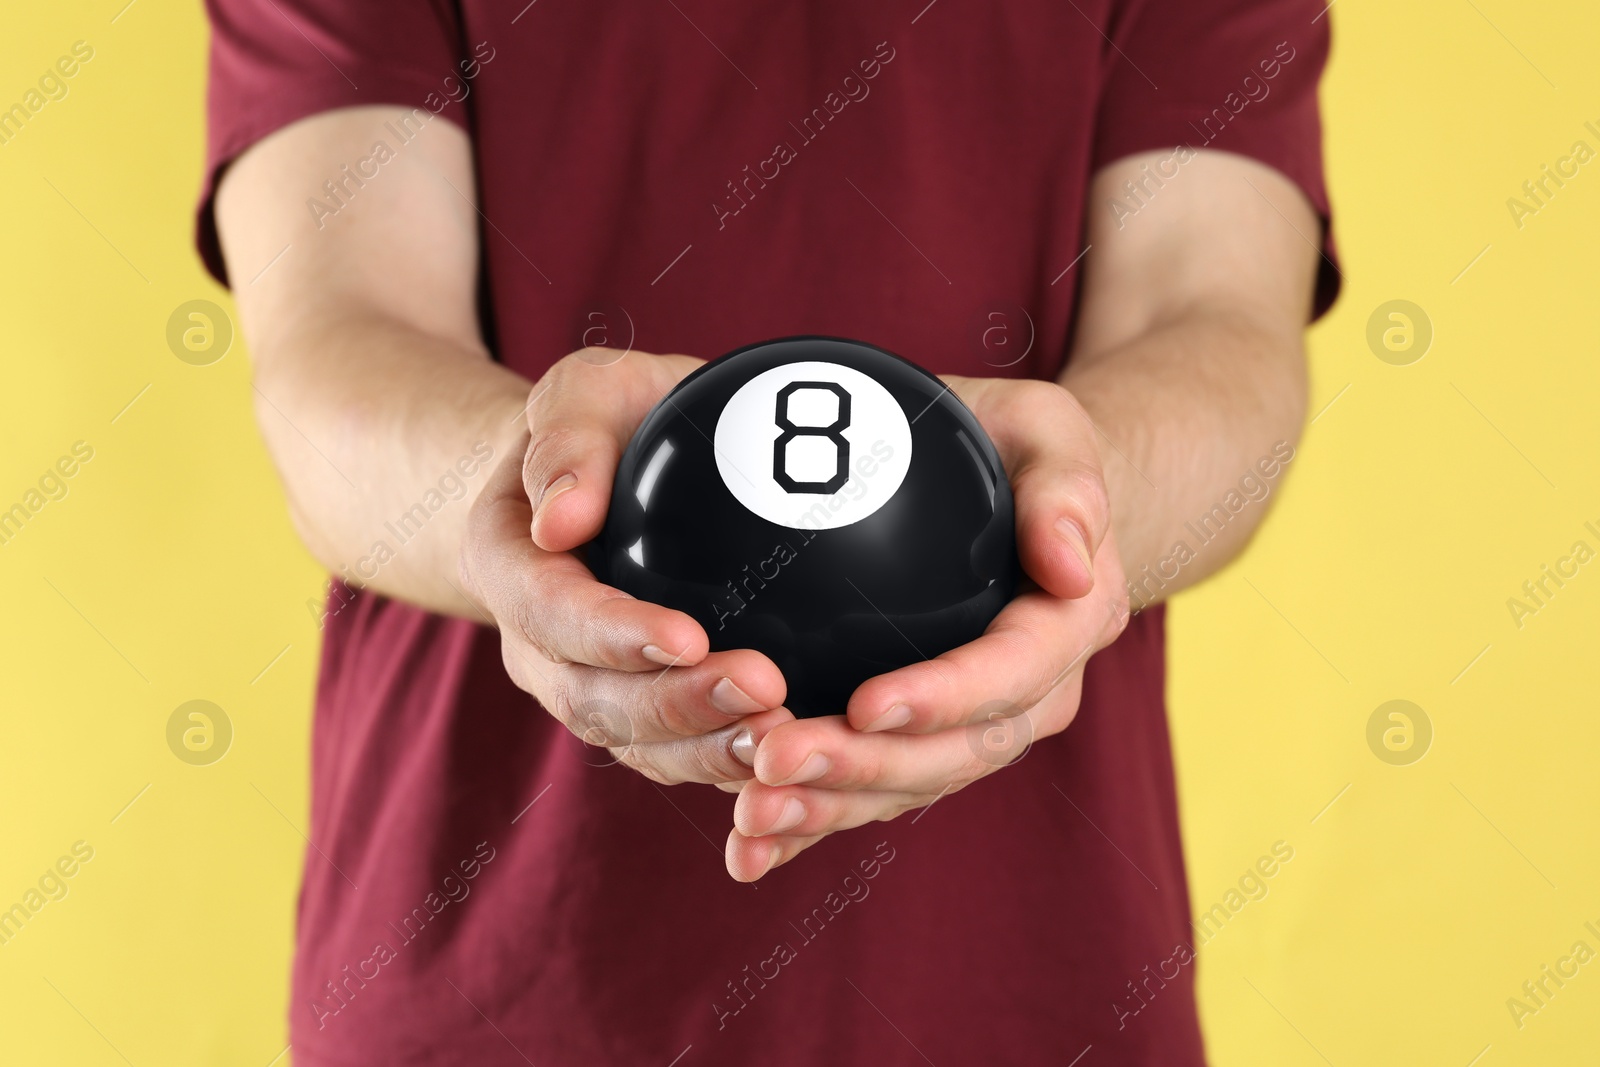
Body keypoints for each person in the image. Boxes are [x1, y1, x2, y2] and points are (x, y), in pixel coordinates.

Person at [200, 0, 1337, 1062]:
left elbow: (1215, 326)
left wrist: (1065, 508)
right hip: (492, 987)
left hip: (1036, 986)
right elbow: (339, 349)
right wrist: (527, 497)